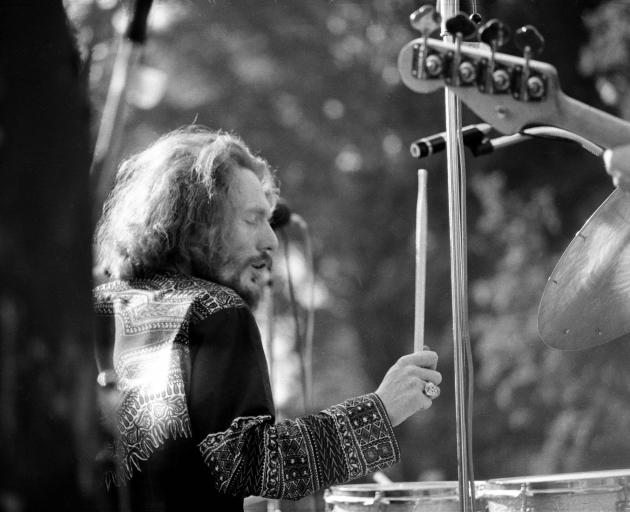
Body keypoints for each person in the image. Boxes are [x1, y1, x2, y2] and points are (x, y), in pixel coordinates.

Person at [93, 125, 442, 512]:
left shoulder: (89, 312)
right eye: (252, 219)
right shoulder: (215, 310)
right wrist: (381, 410)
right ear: (196, 226)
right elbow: (251, 464)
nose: (271, 240)